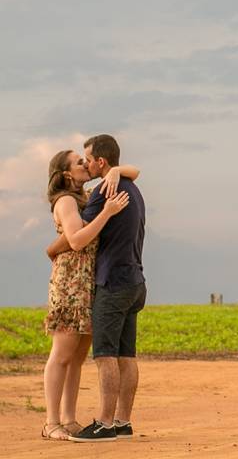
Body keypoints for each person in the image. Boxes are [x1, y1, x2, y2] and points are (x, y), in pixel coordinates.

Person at [41, 149, 137, 441]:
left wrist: (116, 171)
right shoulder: (67, 200)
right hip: (70, 283)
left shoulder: (86, 196)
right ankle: (51, 422)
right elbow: (77, 240)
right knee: (62, 354)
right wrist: (108, 213)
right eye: (78, 161)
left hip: (86, 283)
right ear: (66, 173)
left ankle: (69, 419)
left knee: (78, 355)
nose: (85, 164)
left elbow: (136, 171)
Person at [64, 134, 148, 443]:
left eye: (88, 158)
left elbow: (80, 236)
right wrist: (118, 170)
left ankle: (105, 423)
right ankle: (123, 422)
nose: (85, 163)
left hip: (112, 283)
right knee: (127, 355)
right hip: (136, 282)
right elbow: (133, 170)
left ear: (101, 161)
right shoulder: (133, 188)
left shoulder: (104, 191)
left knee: (105, 356)